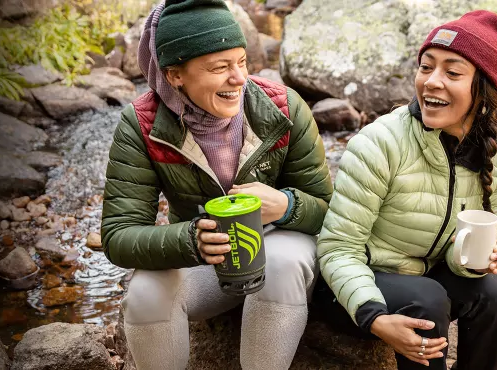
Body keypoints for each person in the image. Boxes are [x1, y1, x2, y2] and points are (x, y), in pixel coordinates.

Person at [100, 0, 333, 368]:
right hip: (206, 261)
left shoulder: (284, 108)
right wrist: (191, 240)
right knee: (145, 291)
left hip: (281, 248)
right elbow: (118, 236)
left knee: (283, 263)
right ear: (176, 75)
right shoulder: (141, 125)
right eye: (219, 67)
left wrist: (286, 205)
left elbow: (327, 209)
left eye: (241, 61)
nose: (239, 78)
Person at [314, 10, 497, 370]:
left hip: (429, 280)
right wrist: (375, 318)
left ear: (485, 88)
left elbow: (469, 264)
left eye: (452, 72)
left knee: (494, 293)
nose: (431, 82)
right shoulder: (380, 143)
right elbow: (337, 250)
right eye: (426, 67)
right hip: (353, 290)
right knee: (426, 299)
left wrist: (480, 261)